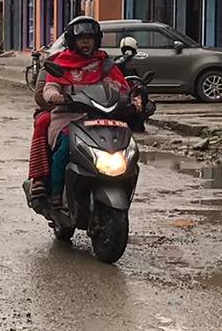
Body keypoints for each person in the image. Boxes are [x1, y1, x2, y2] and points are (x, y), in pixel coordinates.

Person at [25, 16, 140, 208]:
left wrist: (133, 99)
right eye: (81, 38)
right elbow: (50, 87)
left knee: (126, 148)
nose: (86, 42)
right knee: (63, 148)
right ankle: (56, 192)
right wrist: (55, 96)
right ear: (72, 41)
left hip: (100, 117)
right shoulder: (60, 63)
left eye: (90, 38)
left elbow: (121, 87)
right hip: (68, 117)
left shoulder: (104, 64)